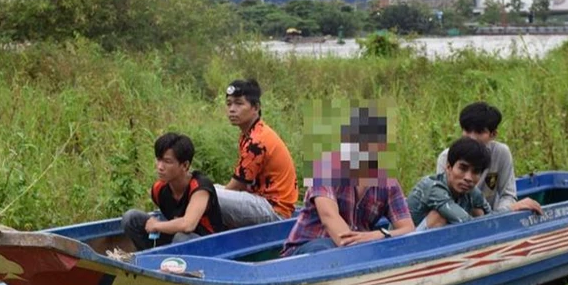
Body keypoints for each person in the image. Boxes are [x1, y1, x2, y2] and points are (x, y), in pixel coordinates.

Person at [282, 109, 414, 257]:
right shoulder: (325, 168)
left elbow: (408, 229)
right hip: (309, 248)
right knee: (327, 252)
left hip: (358, 248)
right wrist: (362, 245)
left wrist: (378, 235)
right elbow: (332, 222)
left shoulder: (387, 182)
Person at [216, 78, 299, 228]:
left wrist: (204, 197)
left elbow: (236, 186)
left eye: (239, 103)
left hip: (275, 211)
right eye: (229, 104)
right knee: (206, 189)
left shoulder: (257, 141)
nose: (232, 109)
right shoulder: (251, 132)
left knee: (207, 194)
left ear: (255, 107)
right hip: (260, 200)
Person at [435, 101, 543, 215]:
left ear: (493, 134)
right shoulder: (447, 157)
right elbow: (445, 203)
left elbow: (508, 195)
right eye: (467, 130)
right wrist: (507, 210)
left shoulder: (501, 153)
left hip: (490, 216)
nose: (472, 137)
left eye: (479, 132)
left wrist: (498, 215)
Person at [122, 133, 225, 251]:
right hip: (176, 237)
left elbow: (188, 225)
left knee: (181, 238)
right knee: (131, 218)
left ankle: (168, 257)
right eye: (158, 159)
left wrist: (157, 225)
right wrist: (157, 226)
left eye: (167, 161)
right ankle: (150, 256)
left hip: (209, 245)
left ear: (185, 165)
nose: (160, 167)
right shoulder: (158, 189)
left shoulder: (200, 187)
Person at [409, 137, 495, 230]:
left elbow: (493, 218)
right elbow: (464, 221)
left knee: (479, 211)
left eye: (476, 172)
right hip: (409, 238)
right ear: (449, 167)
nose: (468, 178)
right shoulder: (433, 188)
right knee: (439, 217)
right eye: (463, 168)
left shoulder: (471, 191)